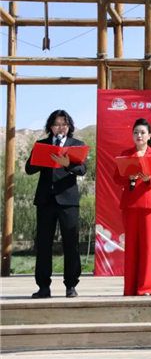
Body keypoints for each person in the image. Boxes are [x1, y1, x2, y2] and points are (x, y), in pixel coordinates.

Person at [25, 109, 87, 299]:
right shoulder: (41, 144)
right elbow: (29, 169)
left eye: (64, 124)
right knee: (43, 244)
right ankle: (43, 287)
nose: (60, 128)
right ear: (50, 127)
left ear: (69, 126)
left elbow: (82, 169)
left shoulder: (76, 144)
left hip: (68, 201)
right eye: (57, 124)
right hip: (45, 200)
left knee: (71, 243)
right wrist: (43, 158)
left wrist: (67, 163)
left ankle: (71, 285)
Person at [113, 118, 151, 296]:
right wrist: (128, 177)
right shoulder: (126, 154)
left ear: (149, 135)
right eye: (136, 132)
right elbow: (117, 178)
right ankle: (130, 288)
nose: (139, 136)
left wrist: (149, 179)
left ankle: (146, 288)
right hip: (130, 204)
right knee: (131, 247)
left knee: (147, 247)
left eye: (143, 132)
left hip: (149, 205)